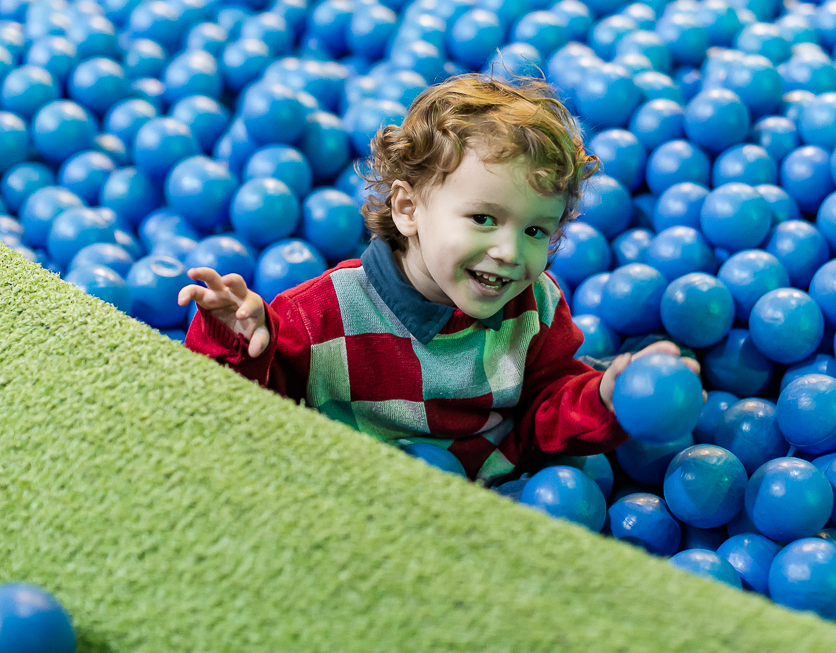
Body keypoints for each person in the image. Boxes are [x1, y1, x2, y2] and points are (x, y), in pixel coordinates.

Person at [181, 74, 699, 485]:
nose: (510, 252)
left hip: (496, 497)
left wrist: (603, 396)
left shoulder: (535, 308)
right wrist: (235, 337)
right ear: (408, 208)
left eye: (537, 230)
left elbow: (545, 413)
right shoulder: (323, 314)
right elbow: (251, 410)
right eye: (483, 218)